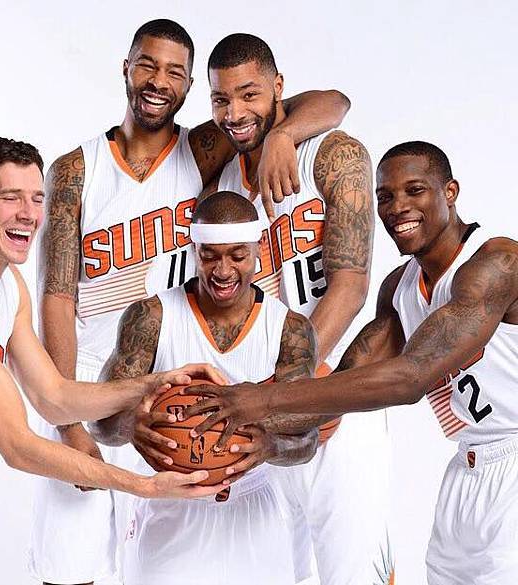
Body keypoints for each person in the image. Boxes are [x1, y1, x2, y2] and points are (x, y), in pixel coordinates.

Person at [31, 18, 350, 585]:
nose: (159, 81)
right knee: (72, 560)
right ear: (125, 68)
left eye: (175, 72)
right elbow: (55, 299)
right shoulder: (76, 170)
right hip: (90, 385)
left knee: (165, 552)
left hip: (169, 385)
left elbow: (331, 101)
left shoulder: (204, 148)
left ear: (189, 86)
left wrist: (281, 137)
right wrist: (69, 419)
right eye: (147, 65)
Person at [184, 141, 518, 585]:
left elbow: (410, 378)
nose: (398, 207)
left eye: (415, 190)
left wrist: (260, 401)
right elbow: (343, 388)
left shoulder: (497, 263)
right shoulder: (400, 288)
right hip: (468, 468)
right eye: (385, 196)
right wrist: (247, 441)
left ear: (450, 192)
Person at [0, 137, 226, 585]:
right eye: (10, 198)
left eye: (36, 198)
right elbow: (16, 446)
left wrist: (154, 383)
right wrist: (144, 486)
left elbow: (54, 397)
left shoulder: (8, 286)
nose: (29, 213)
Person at [202, 33, 391, 585]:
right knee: (276, 572)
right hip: (258, 406)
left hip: (333, 391)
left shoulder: (333, 153)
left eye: (250, 94)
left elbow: (351, 286)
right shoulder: (221, 183)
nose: (235, 113)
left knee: (353, 574)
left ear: (279, 87)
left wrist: (294, 384)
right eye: (221, 99)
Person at [90, 191, 320, 585]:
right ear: (193, 251)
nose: (223, 270)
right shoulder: (150, 318)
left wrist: (270, 446)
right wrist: (129, 426)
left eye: (237, 256)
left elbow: (307, 439)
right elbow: (99, 421)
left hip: (253, 512)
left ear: (258, 251)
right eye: (210, 256)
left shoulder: (290, 330)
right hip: (171, 504)